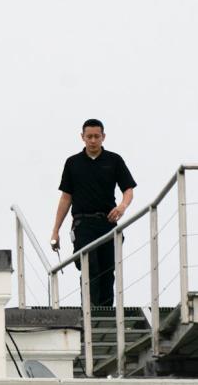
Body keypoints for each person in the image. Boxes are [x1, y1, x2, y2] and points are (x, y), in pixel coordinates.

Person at [49, 119, 136, 307]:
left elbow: (128, 189)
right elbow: (66, 197)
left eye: (97, 136)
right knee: (89, 266)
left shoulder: (114, 160)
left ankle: (106, 312)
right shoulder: (73, 163)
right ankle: (89, 310)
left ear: (103, 137)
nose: (93, 140)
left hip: (107, 222)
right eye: (89, 136)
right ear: (82, 137)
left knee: (107, 269)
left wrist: (122, 206)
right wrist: (55, 230)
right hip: (83, 224)